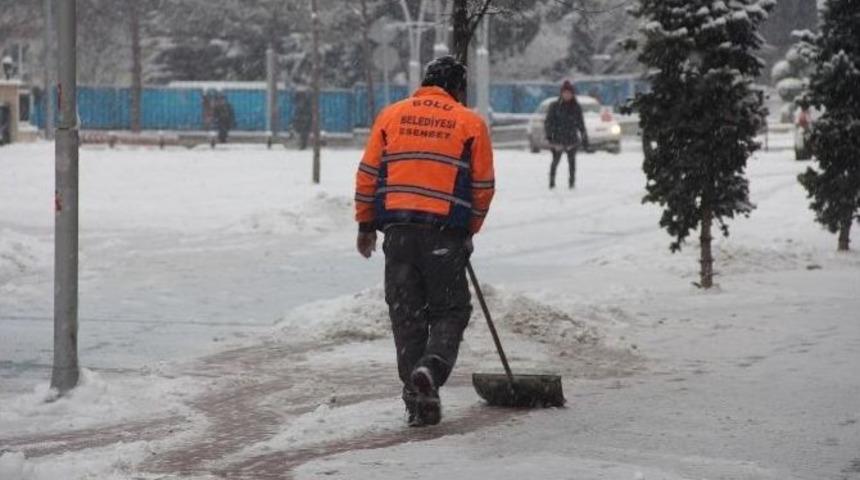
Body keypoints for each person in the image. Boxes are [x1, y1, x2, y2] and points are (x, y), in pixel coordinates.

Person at [353, 56, 495, 427]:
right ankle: (430, 371)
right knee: (451, 310)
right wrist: (469, 231)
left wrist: (365, 225)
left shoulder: (391, 115)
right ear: (458, 88)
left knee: (407, 315)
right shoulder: (470, 123)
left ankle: (417, 397)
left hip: (397, 233)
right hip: (443, 235)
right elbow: (483, 186)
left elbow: (368, 173)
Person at [544, 80, 588, 189]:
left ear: (572, 94)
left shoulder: (576, 107)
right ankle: (552, 182)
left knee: (572, 162)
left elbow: (580, 123)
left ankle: (572, 182)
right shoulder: (554, 106)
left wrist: (584, 136)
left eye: (569, 93)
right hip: (557, 138)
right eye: (565, 93)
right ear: (561, 93)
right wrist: (550, 136)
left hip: (571, 138)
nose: (567, 95)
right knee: (555, 161)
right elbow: (549, 122)